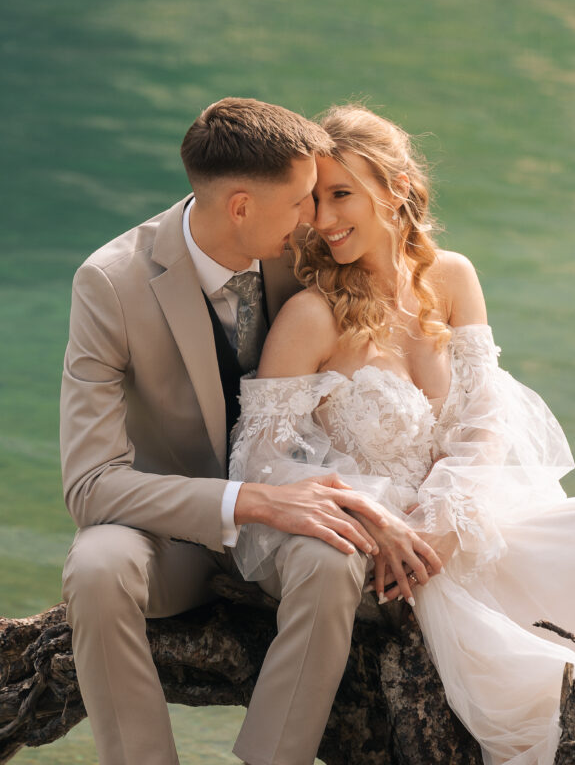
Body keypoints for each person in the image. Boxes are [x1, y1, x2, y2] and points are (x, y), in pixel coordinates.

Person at [230, 104, 575, 765]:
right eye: (313, 201)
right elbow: (257, 461)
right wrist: (374, 520)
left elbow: (484, 418)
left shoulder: (451, 277)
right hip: (389, 550)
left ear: (397, 190)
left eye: (340, 194)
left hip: (463, 519)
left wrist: (448, 518)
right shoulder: (310, 315)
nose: (322, 221)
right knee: (533, 680)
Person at [60, 97, 441, 765]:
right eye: (300, 202)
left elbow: (400, 280)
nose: (315, 220)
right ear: (240, 207)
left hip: (291, 525)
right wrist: (253, 501)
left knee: (331, 555)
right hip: (169, 534)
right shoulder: (110, 285)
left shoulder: (305, 255)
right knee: (95, 566)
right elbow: (90, 486)